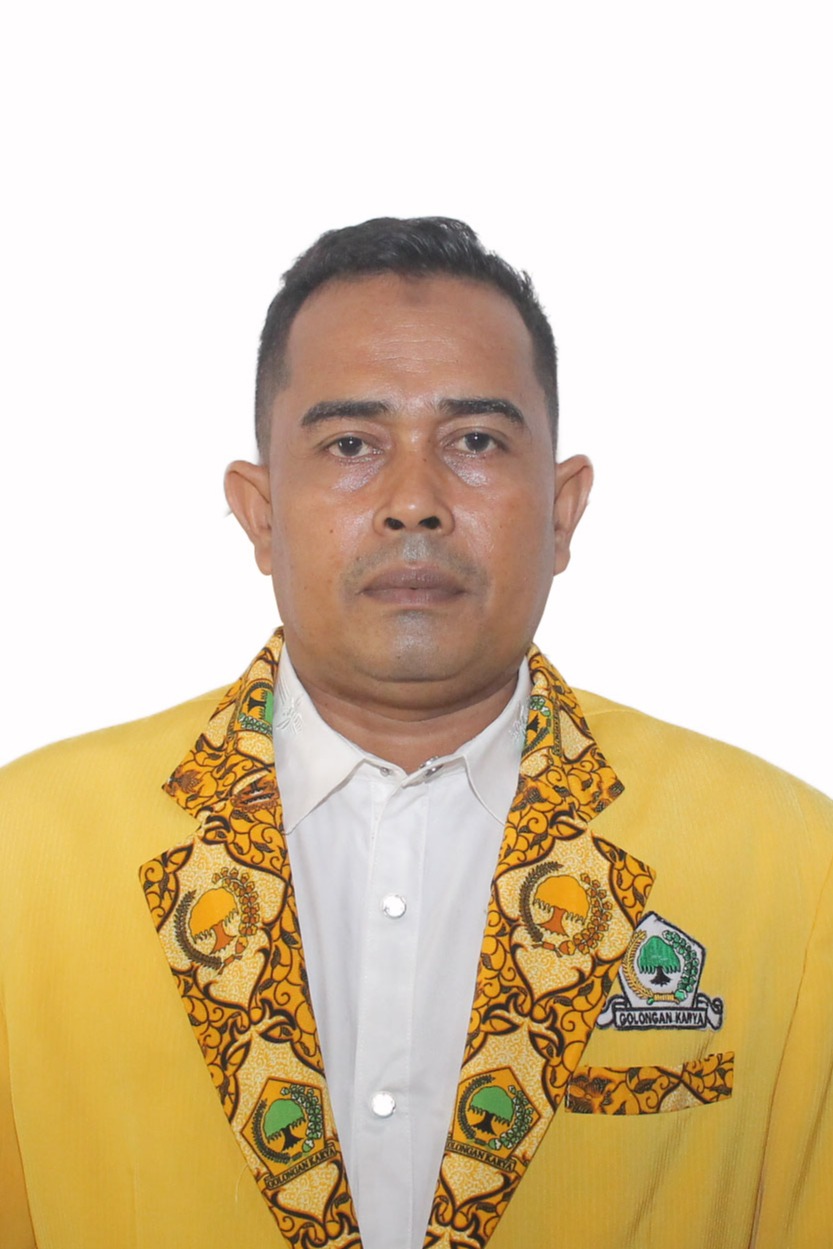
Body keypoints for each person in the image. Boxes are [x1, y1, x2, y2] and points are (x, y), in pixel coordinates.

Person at [1, 217, 831, 1249]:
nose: (412, 503)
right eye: (350, 444)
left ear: (561, 510)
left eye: (474, 441)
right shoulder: (24, 854)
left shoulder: (788, 865)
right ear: (259, 512)